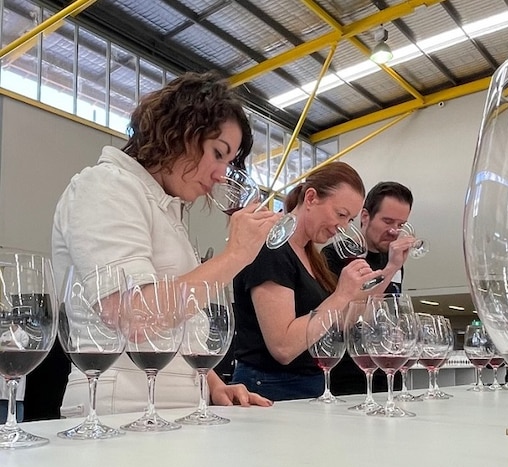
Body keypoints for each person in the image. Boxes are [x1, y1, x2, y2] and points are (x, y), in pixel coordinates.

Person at [52, 71, 281, 416]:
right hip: (120, 412)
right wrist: (236, 255)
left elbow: (176, 324)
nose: (222, 174)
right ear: (180, 133)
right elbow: (134, 316)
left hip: (171, 410)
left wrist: (210, 382)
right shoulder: (105, 187)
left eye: (229, 162)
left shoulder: (163, 206)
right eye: (218, 153)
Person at [231, 162, 383, 401]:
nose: (342, 227)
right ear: (311, 198)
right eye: (340, 214)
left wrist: (357, 293)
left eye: (350, 220)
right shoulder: (271, 247)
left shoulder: (310, 255)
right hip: (269, 390)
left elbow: (335, 325)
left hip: (309, 385)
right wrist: (341, 295)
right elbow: (283, 347)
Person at [322, 181, 416, 396]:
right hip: (349, 376)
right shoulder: (335, 255)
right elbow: (345, 320)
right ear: (365, 217)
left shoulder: (392, 258)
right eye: (387, 221)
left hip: (390, 372)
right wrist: (391, 268)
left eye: (401, 224)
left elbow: (389, 309)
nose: (394, 231)